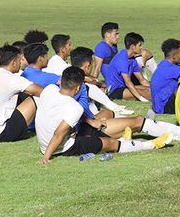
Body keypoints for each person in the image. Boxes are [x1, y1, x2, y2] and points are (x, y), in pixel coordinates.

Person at [37, 67, 173, 164]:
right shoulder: (75, 107)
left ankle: (127, 138)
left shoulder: (49, 89)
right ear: (78, 88)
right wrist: (46, 157)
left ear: (61, 80)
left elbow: (57, 114)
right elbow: (58, 134)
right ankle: (150, 145)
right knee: (110, 144)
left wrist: (90, 121)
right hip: (61, 147)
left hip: (46, 142)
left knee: (103, 123)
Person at [0, 44, 44, 142]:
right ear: (13, 63)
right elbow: (41, 91)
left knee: (24, 93)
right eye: (19, 60)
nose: (21, 63)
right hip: (2, 133)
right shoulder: (11, 79)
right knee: (36, 97)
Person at [92, 22, 158, 81]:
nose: (118, 37)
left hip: (121, 72)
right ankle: (151, 79)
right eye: (116, 34)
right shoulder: (101, 47)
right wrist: (93, 84)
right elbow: (97, 68)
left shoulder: (113, 46)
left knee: (144, 54)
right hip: (117, 78)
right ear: (107, 35)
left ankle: (157, 78)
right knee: (144, 53)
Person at [102, 32, 151, 101]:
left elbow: (142, 80)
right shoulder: (122, 59)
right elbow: (128, 82)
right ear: (133, 47)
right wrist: (140, 98)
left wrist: (157, 87)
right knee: (147, 93)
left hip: (124, 87)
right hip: (115, 90)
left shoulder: (132, 59)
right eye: (140, 45)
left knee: (150, 89)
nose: (141, 48)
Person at [150, 39, 180, 114]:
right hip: (164, 108)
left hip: (160, 106)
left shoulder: (164, 64)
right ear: (174, 56)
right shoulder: (170, 68)